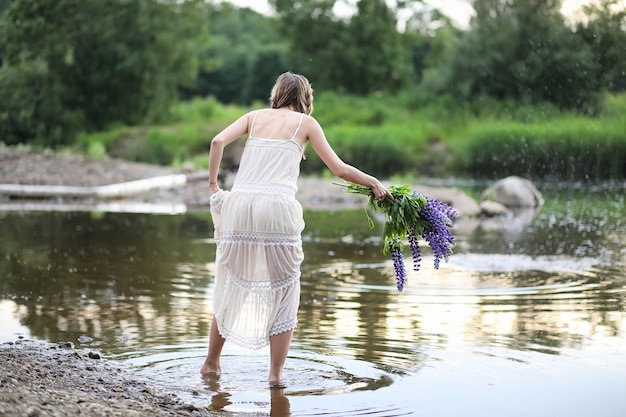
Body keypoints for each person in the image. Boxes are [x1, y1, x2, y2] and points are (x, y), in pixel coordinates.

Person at [200, 72, 392, 387]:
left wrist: (212, 184)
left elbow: (217, 141)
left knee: (230, 285)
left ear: (277, 94)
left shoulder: (254, 117)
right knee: (285, 290)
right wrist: (372, 182)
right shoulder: (306, 124)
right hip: (276, 208)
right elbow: (339, 169)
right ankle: (275, 377)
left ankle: (211, 364)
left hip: (240, 204)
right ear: (305, 98)